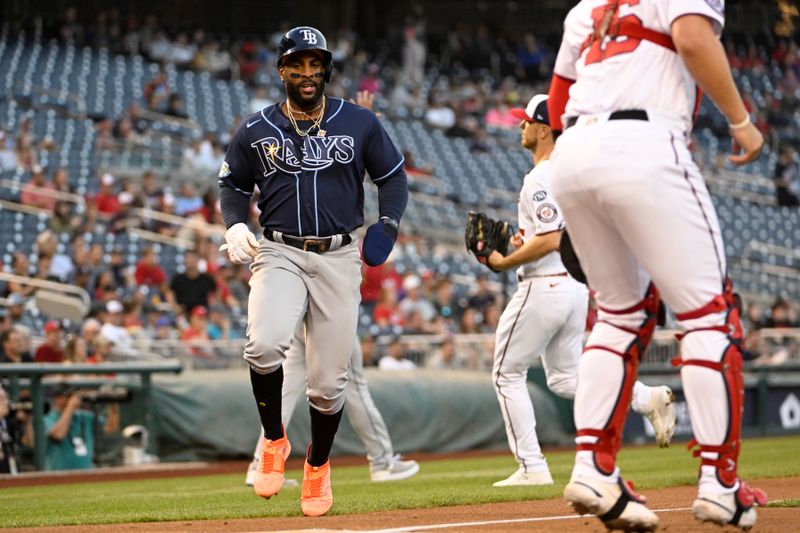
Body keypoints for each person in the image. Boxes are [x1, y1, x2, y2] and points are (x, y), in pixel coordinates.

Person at [547, 2, 767, 530]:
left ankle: (593, 467)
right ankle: (721, 484)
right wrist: (741, 122)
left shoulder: (586, 7)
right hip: (646, 141)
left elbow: (557, 103)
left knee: (619, 316)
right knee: (711, 316)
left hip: (573, 149)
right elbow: (692, 38)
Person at [218, 26, 407, 517]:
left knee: (327, 385)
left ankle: (318, 467)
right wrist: (236, 224)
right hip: (279, 250)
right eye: (297, 64)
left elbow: (393, 178)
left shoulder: (359, 122)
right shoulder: (255, 129)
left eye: (315, 64)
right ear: (281, 69)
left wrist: (387, 224)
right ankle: (274, 441)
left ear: (325, 69)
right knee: (262, 345)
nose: (307, 73)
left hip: (339, 257)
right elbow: (233, 185)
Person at [477, 94, 676, 488]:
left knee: (505, 373)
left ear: (545, 129)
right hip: (572, 287)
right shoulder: (572, 173)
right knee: (565, 377)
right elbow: (554, 234)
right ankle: (644, 398)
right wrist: (523, 240)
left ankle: (532, 466)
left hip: (544, 285)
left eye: (527, 121)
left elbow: (551, 239)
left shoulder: (539, 177)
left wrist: (504, 262)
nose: (521, 126)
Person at [245, 328, 419, 487]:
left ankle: (261, 465)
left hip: (299, 320)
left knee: (284, 393)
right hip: (330, 314)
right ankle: (383, 463)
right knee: (355, 389)